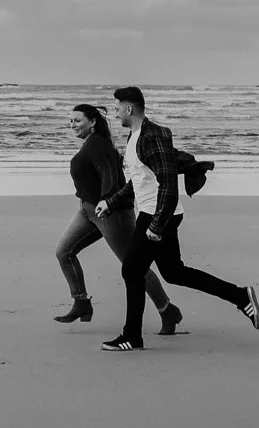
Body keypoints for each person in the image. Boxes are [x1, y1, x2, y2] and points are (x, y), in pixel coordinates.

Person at [95, 86, 259, 351]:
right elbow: (140, 180)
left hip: (157, 215)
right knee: (174, 272)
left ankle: (131, 336)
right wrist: (112, 202)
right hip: (159, 213)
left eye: (116, 109)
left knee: (131, 269)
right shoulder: (135, 136)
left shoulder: (152, 135)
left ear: (129, 108)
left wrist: (157, 226)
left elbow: (168, 184)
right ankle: (240, 296)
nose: (115, 114)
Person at [54, 104, 184, 334]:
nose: (72, 125)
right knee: (64, 251)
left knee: (134, 265)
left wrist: (106, 201)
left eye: (77, 120)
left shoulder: (98, 146)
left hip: (110, 214)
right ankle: (81, 302)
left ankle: (167, 310)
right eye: (70, 121)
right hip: (87, 210)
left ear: (92, 122)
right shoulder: (92, 144)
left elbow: (110, 174)